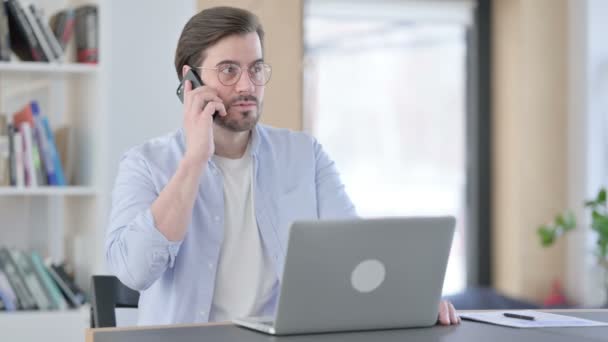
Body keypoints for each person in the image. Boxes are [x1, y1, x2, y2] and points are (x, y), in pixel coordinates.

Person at [105, 6, 460, 326]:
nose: (247, 85)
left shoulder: (305, 155)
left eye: (256, 69)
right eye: (229, 70)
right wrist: (195, 159)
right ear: (190, 80)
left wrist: (412, 299)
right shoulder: (145, 164)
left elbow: (356, 255)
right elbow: (134, 272)